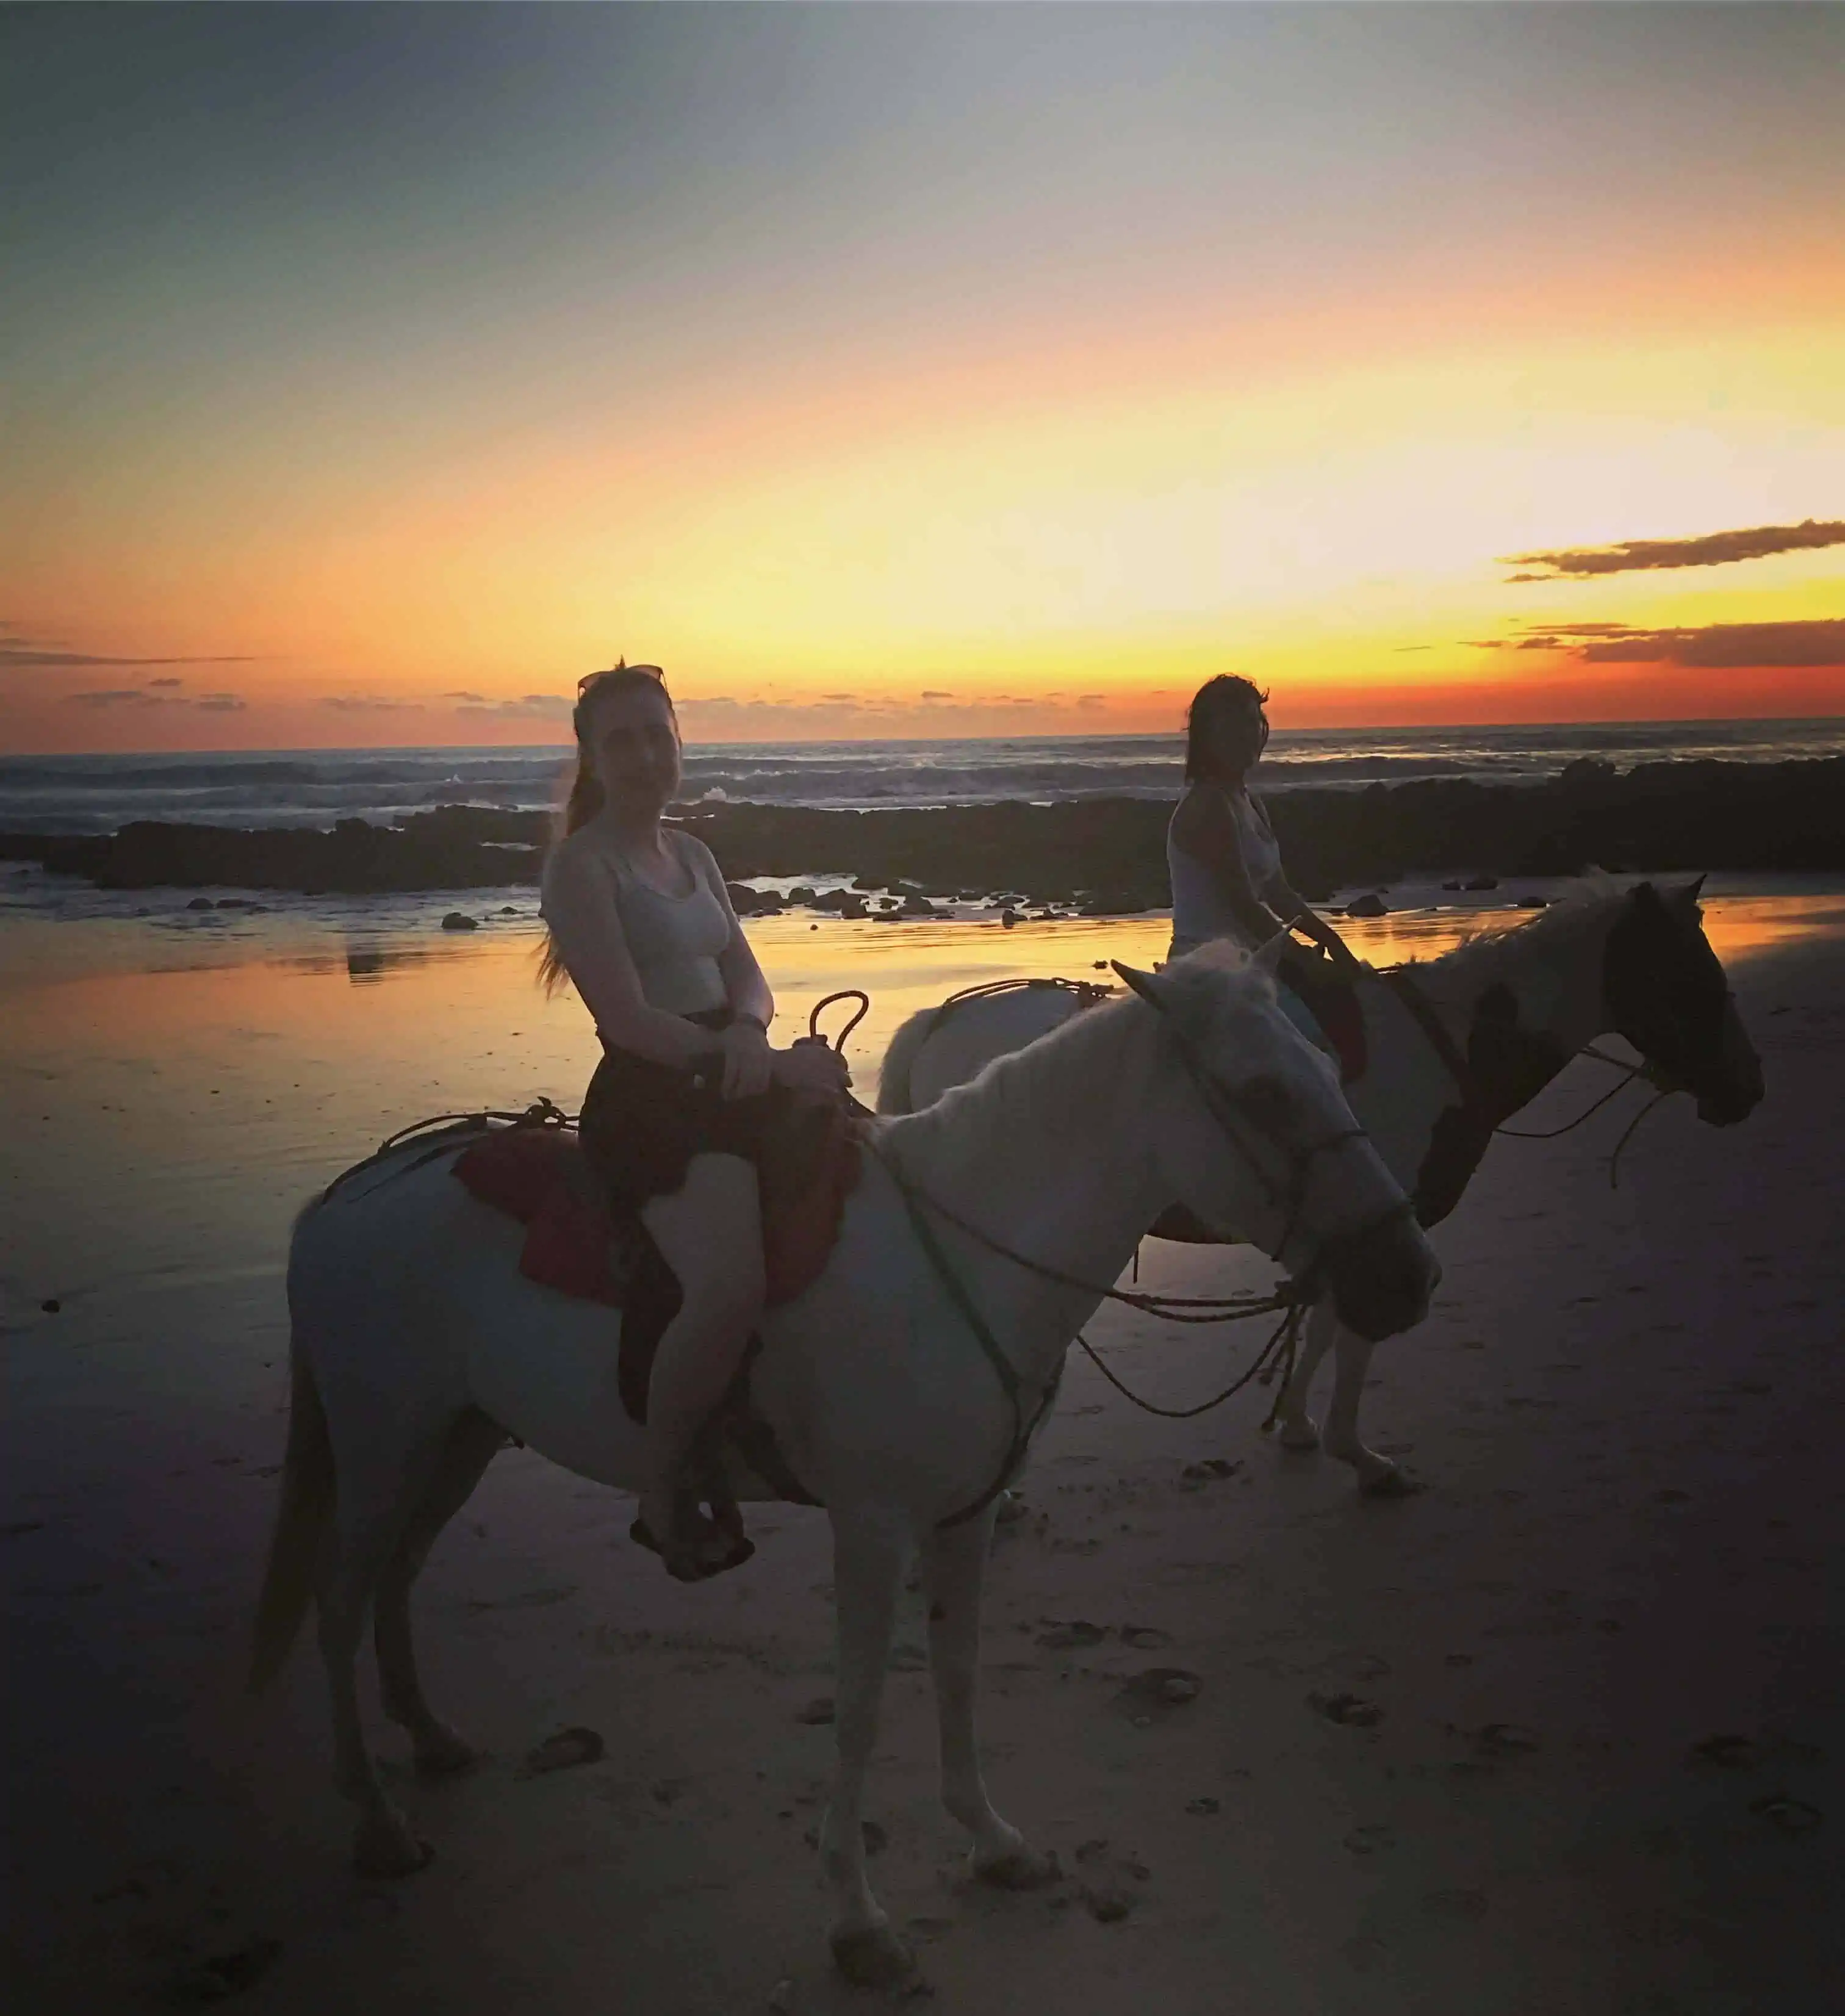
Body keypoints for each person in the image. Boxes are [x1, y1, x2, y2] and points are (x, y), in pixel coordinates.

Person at [538, 660, 849, 1581]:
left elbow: (747, 976)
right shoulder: (581, 865)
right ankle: (662, 1484)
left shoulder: (695, 855)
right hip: (655, 1096)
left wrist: (754, 1034)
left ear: (681, 742)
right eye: (621, 739)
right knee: (728, 1284)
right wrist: (737, 1056)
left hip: (733, 1065)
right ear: (592, 757)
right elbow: (626, 1021)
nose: (644, 755)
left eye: (657, 735)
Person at [1167, 674, 1365, 1049]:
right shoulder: (1208, 805)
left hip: (1252, 959)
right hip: (1211, 968)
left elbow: (1278, 891)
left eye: (1255, 721)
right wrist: (1303, 959)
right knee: (1310, 1048)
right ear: (1209, 733)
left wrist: (1333, 943)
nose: (1251, 733)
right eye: (1237, 723)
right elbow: (1243, 903)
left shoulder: (1248, 800)